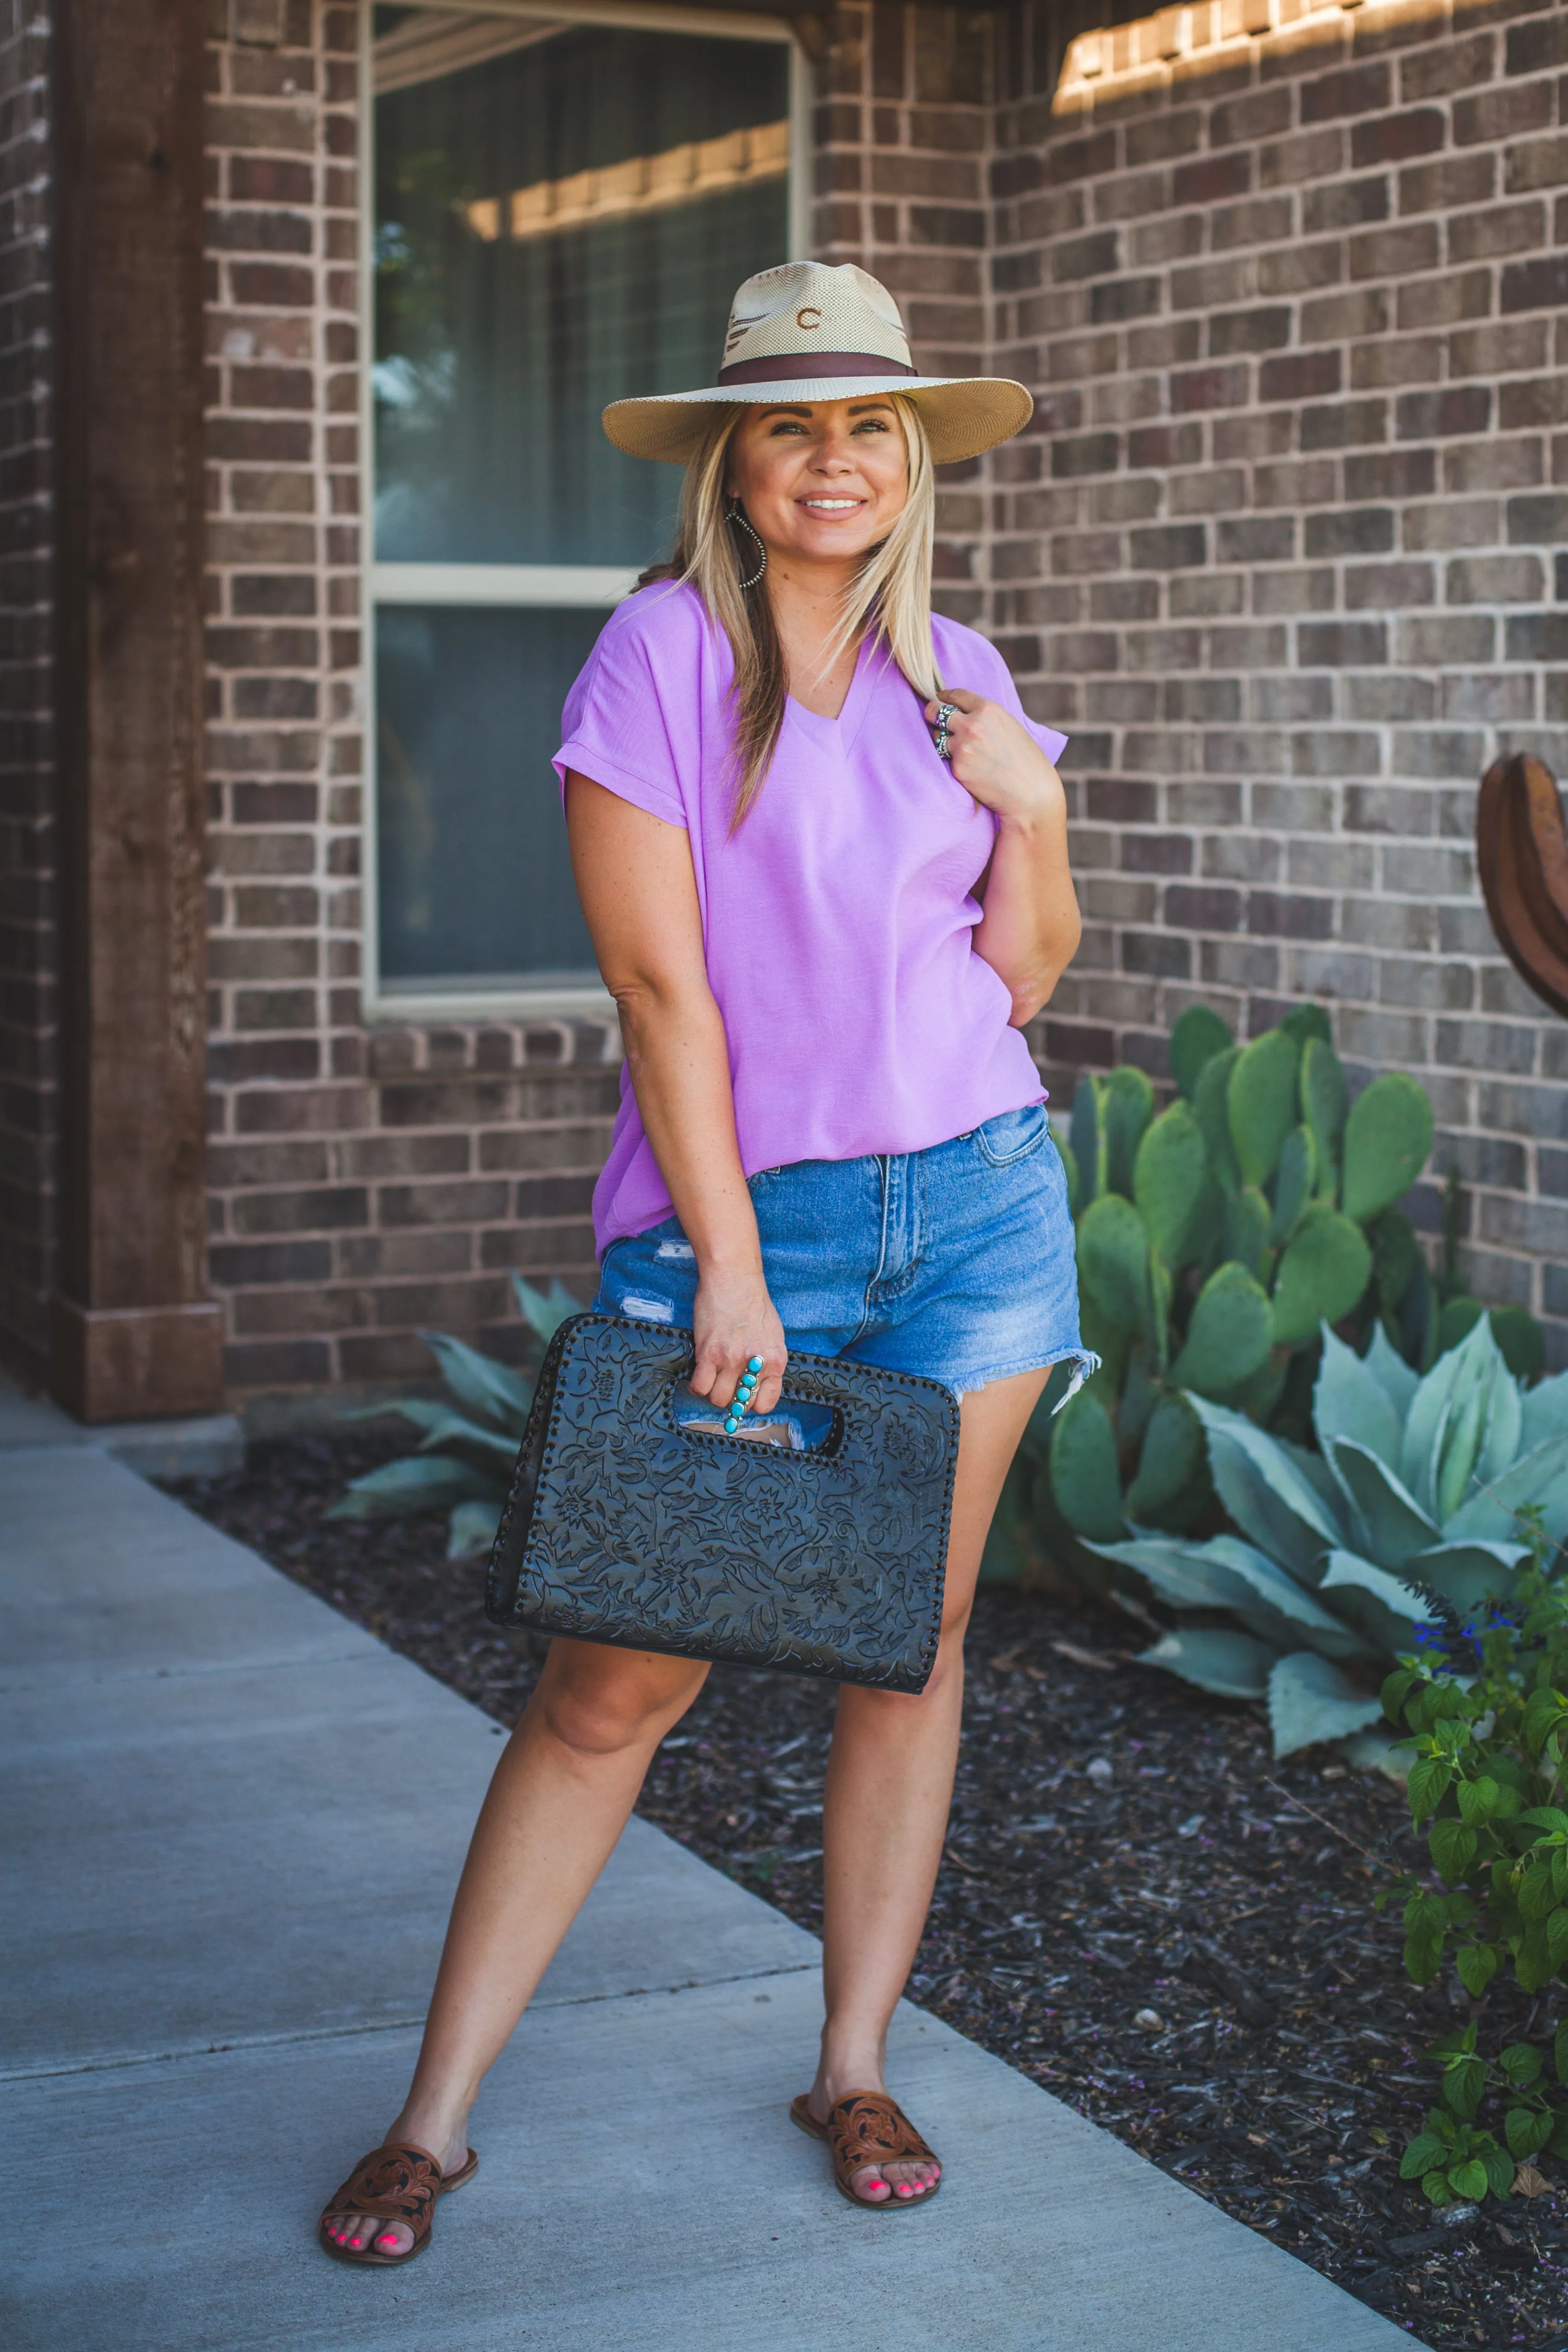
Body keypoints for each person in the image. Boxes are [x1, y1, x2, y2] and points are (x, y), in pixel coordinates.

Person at [319, 260, 1089, 2264]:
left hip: (979, 1208)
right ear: (734, 464)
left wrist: (1042, 812)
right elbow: (661, 988)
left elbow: (1020, 975)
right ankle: (436, 2118)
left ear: (909, 459)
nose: (832, 459)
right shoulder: (657, 659)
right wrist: (731, 1268)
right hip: (744, 1225)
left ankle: (851, 2060)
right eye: (790, 424)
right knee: (614, 1680)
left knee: (908, 1651)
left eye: (868, 426)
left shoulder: (970, 680)